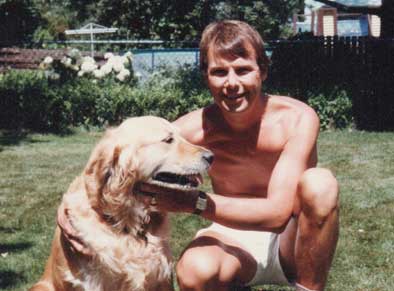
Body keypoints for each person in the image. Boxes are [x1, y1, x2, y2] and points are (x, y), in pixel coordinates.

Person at [59, 20, 339, 291]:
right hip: (231, 236)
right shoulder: (194, 129)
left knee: (320, 184)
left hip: (292, 239)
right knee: (193, 271)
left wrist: (195, 202)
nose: (231, 83)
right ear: (205, 75)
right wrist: (68, 206)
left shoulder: (297, 118)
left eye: (242, 70)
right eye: (219, 72)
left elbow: (278, 213)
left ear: (262, 71)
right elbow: (117, 154)